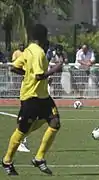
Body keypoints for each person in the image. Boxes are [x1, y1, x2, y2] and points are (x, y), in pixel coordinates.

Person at [2, 24, 63, 176]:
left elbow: (14, 67)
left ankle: (39, 158)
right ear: (43, 36)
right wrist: (56, 68)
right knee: (22, 130)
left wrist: (26, 73)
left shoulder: (28, 50)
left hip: (42, 96)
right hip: (31, 96)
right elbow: (39, 76)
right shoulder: (37, 53)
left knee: (55, 123)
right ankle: (7, 161)